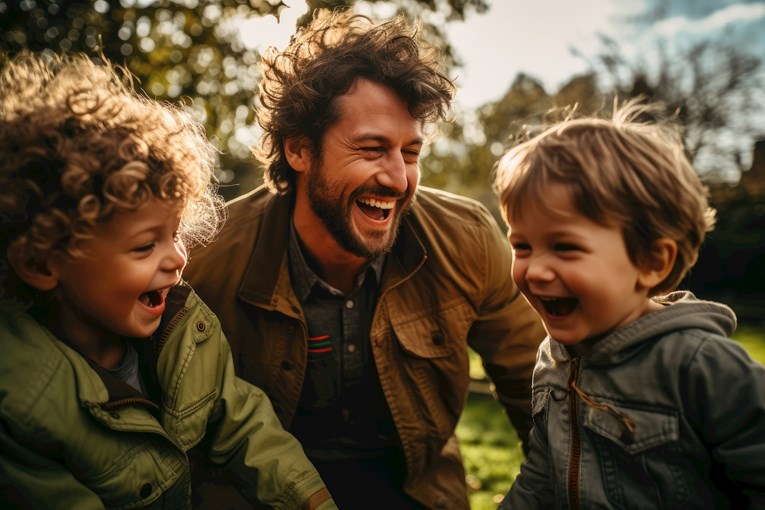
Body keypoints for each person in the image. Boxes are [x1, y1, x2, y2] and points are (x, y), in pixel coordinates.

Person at [183, 9, 545, 510]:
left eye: (411, 152)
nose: (398, 179)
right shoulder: (203, 256)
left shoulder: (469, 240)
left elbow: (541, 399)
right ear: (299, 150)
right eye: (372, 148)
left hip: (416, 495)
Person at [0, 51, 337, 510]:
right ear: (42, 264)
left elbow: (243, 424)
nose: (177, 258)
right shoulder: (20, 405)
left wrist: (311, 499)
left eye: (175, 233)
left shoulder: (185, 331)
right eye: (144, 247)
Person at [494, 100, 765, 509]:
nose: (535, 271)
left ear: (652, 262)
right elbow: (541, 476)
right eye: (523, 246)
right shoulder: (553, 360)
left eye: (565, 247)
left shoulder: (700, 367)